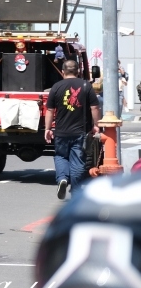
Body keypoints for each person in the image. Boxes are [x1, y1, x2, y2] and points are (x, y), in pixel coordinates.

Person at [44, 60, 100, 200]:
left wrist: (48, 129)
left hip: (61, 132)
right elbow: (94, 107)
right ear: (78, 71)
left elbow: (50, 110)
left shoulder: (56, 87)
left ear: (63, 71)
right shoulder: (86, 86)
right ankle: (75, 192)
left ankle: (62, 178)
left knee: (61, 156)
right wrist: (96, 125)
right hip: (80, 132)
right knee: (78, 161)